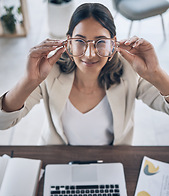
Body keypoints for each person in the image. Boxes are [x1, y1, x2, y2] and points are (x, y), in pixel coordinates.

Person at [0, 3, 169, 145]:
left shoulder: (130, 70)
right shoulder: (49, 71)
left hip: (112, 162)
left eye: (100, 42)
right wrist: (28, 81)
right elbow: (3, 122)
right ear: (69, 44)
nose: (89, 54)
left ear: (113, 44)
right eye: (79, 41)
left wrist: (156, 74)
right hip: (58, 161)